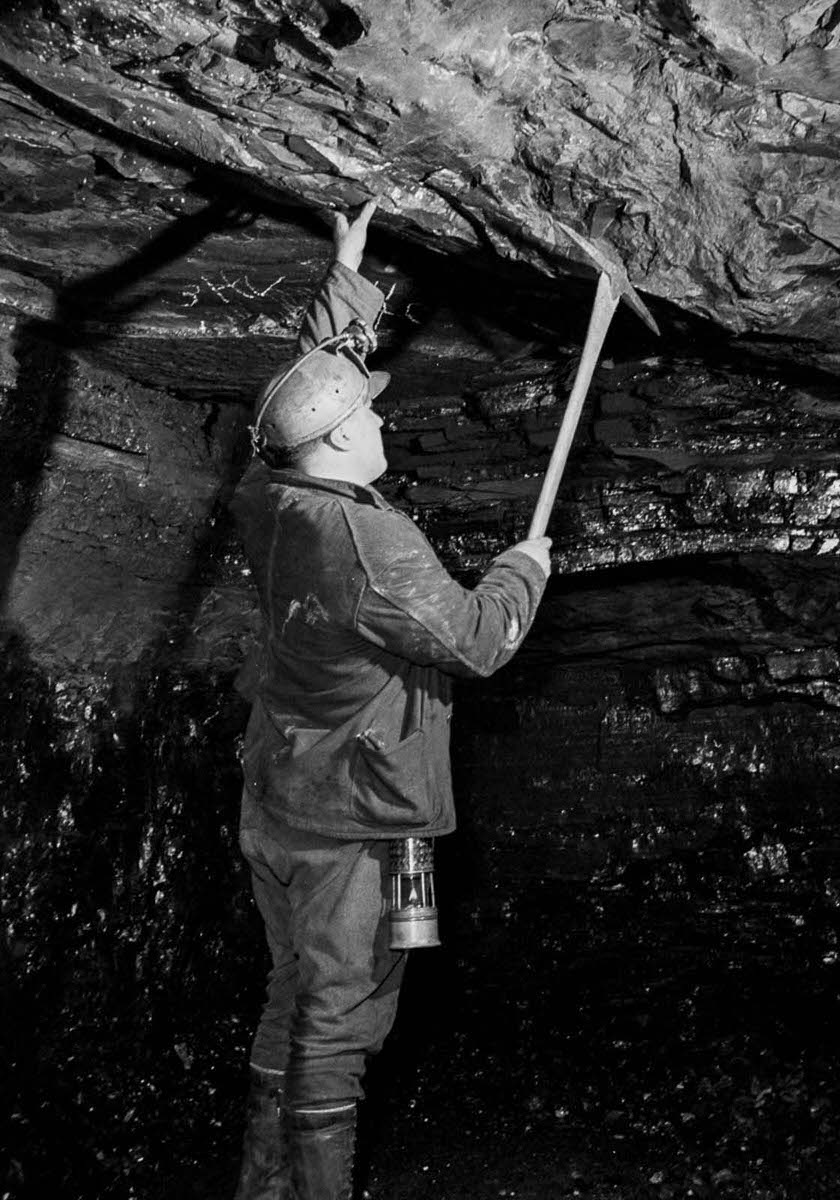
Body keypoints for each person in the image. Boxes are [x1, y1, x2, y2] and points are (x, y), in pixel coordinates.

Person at [228, 199, 551, 1200]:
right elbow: (476, 641)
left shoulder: (268, 491)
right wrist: (522, 568)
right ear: (332, 446)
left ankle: (262, 1191)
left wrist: (348, 280)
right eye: (364, 414)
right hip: (355, 826)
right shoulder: (371, 544)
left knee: (293, 999)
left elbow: (297, 401)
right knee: (342, 1019)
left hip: (284, 800)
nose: (379, 417)